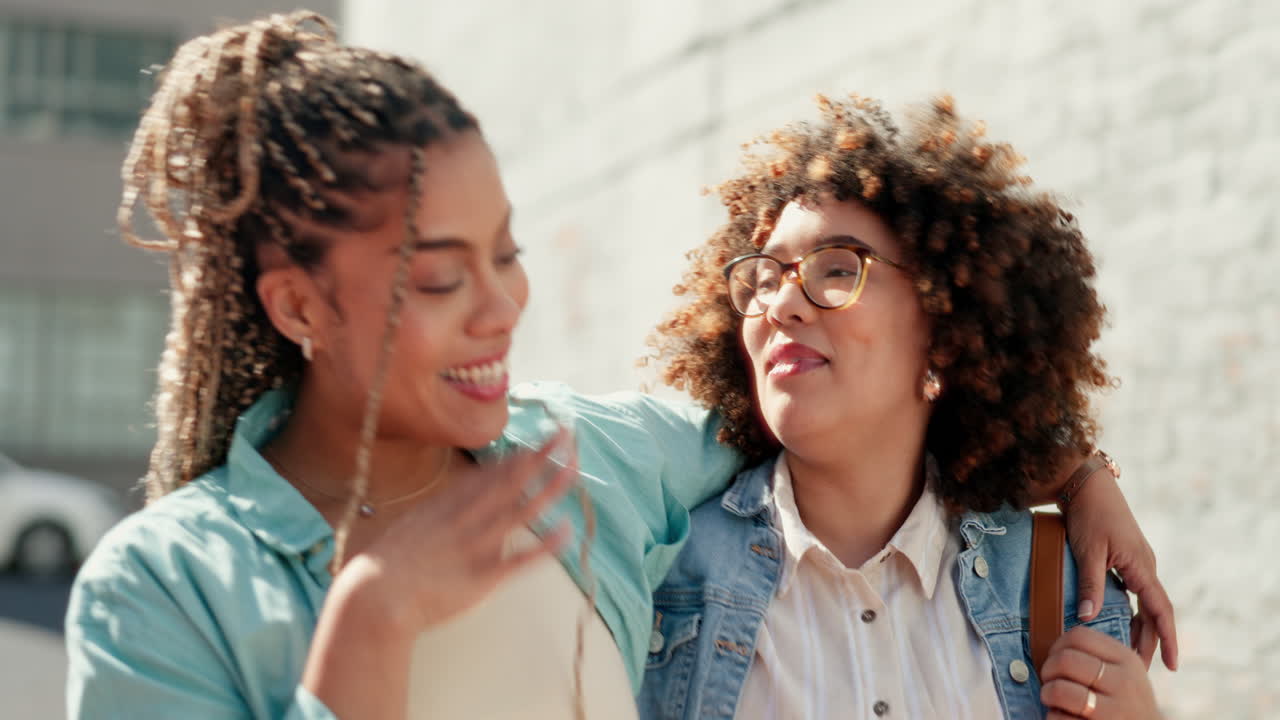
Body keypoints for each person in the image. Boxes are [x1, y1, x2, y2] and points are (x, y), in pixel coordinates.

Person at [65, 13, 1171, 719]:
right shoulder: (163, 590)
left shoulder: (591, 463)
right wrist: (370, 626)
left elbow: (854, 420)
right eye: (444, 275)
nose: (505, 306)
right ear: (300, 303)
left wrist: (1072, 470)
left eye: (506, 253)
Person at [640, 94, 1168, 719]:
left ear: (947, 328)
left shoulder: (1055, 582)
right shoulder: (661, 573)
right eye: (763, 279)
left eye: (836, 268)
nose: (782, 304)